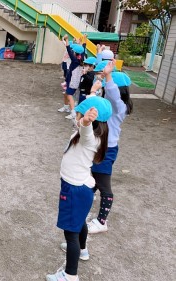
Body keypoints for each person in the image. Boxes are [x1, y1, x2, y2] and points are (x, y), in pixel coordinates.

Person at [46, 96, 112, 281]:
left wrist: (85, 122)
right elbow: (84, 131)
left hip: (74, 189)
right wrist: (84, 121)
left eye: (79, 113)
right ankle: (83, 250)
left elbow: (85, 132)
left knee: (70, 233)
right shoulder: (97, 137)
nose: (77, 115)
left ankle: (70, 275)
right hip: (82, 187)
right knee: (80, 222)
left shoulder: (90, 138)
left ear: (93, 122)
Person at [87, 60, 133, 234]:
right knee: (94, 176)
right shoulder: (112, 101)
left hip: (106, 150)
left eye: (110, 85)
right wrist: (100, 82)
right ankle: (88, 199)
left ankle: (101, 221)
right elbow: (105, 96)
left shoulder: (118, 105)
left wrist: (108, 75)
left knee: (105, 186)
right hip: (102, 147)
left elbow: (112, 93)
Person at [61, 34, 86, 120]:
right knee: (66, 94)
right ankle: (67, 107)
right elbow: (83, 48)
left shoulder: (75, 60)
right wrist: (84, 39)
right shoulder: (81, 58)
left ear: (75, 53)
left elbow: (68, 49)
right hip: (72, 80)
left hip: (72, 81)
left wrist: (67, 39)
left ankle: (73, 113)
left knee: (69, 95)